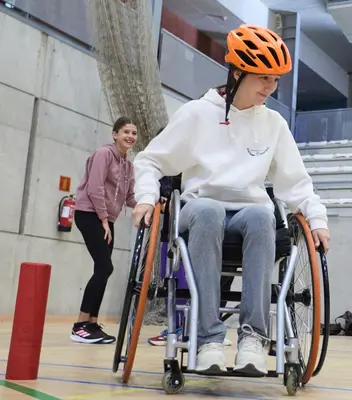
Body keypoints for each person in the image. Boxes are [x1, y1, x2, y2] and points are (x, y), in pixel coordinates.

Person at [131, 24, 330, 377]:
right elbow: (150, 160)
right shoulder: (196, 114)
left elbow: (295, 183)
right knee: (207, 210)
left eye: (276, 80)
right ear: (238, 72)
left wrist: (316, 219)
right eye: (263, 78)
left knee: (261, 215)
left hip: (247, 215)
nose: (270, 88)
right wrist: (146, 197)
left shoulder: (274, 124)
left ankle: (253, 339)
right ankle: (208, 339)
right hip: (200, 209)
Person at [71, 116, 137, 344]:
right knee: (105, 266)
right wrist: (103, 219)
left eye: (134, 133)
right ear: (115, 134)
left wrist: (152, 204)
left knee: (103, 269)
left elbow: (129, 197)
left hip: (106, 219)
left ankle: (91, 323)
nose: (130, 136)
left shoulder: (128, 165)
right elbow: (95, 187)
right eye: (126, 131)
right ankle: (79, 326)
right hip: (90, 214)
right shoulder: (103, 154)